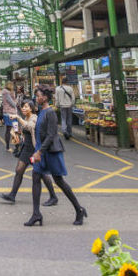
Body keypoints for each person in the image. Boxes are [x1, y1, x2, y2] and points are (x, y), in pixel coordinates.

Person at [24, 85, 87, 227]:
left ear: (45, 97)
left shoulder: (50, 112)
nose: (36, 97)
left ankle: (79, 209)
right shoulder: (42, 111)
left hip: (51, 152)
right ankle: (36, 214)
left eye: (38, 95)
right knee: (35, 177)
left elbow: (52, 134)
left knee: (59, 181)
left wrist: (40, 152)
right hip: (41, 151)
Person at [0, 99, 58, 206]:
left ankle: (53, 196)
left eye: (26, 107)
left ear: (31, 108)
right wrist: (15, 133)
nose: (24, 109)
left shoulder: (34, 117)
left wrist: (18, 117)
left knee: (43, 174)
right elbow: (24, 131)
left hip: (35, 149)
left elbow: (30, 126)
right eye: (23, 107)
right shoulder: (26, 118)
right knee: (19, 170)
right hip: (26, 148)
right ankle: (12, 195)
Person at [1, 84, 18, 151]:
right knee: (15, 129)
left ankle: (8, 146)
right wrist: (17, 99)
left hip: (7, 113)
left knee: (8, 130)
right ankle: (16, 146)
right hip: (11, 114)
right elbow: (13, 104)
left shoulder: (5, 93)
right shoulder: (7, 94)